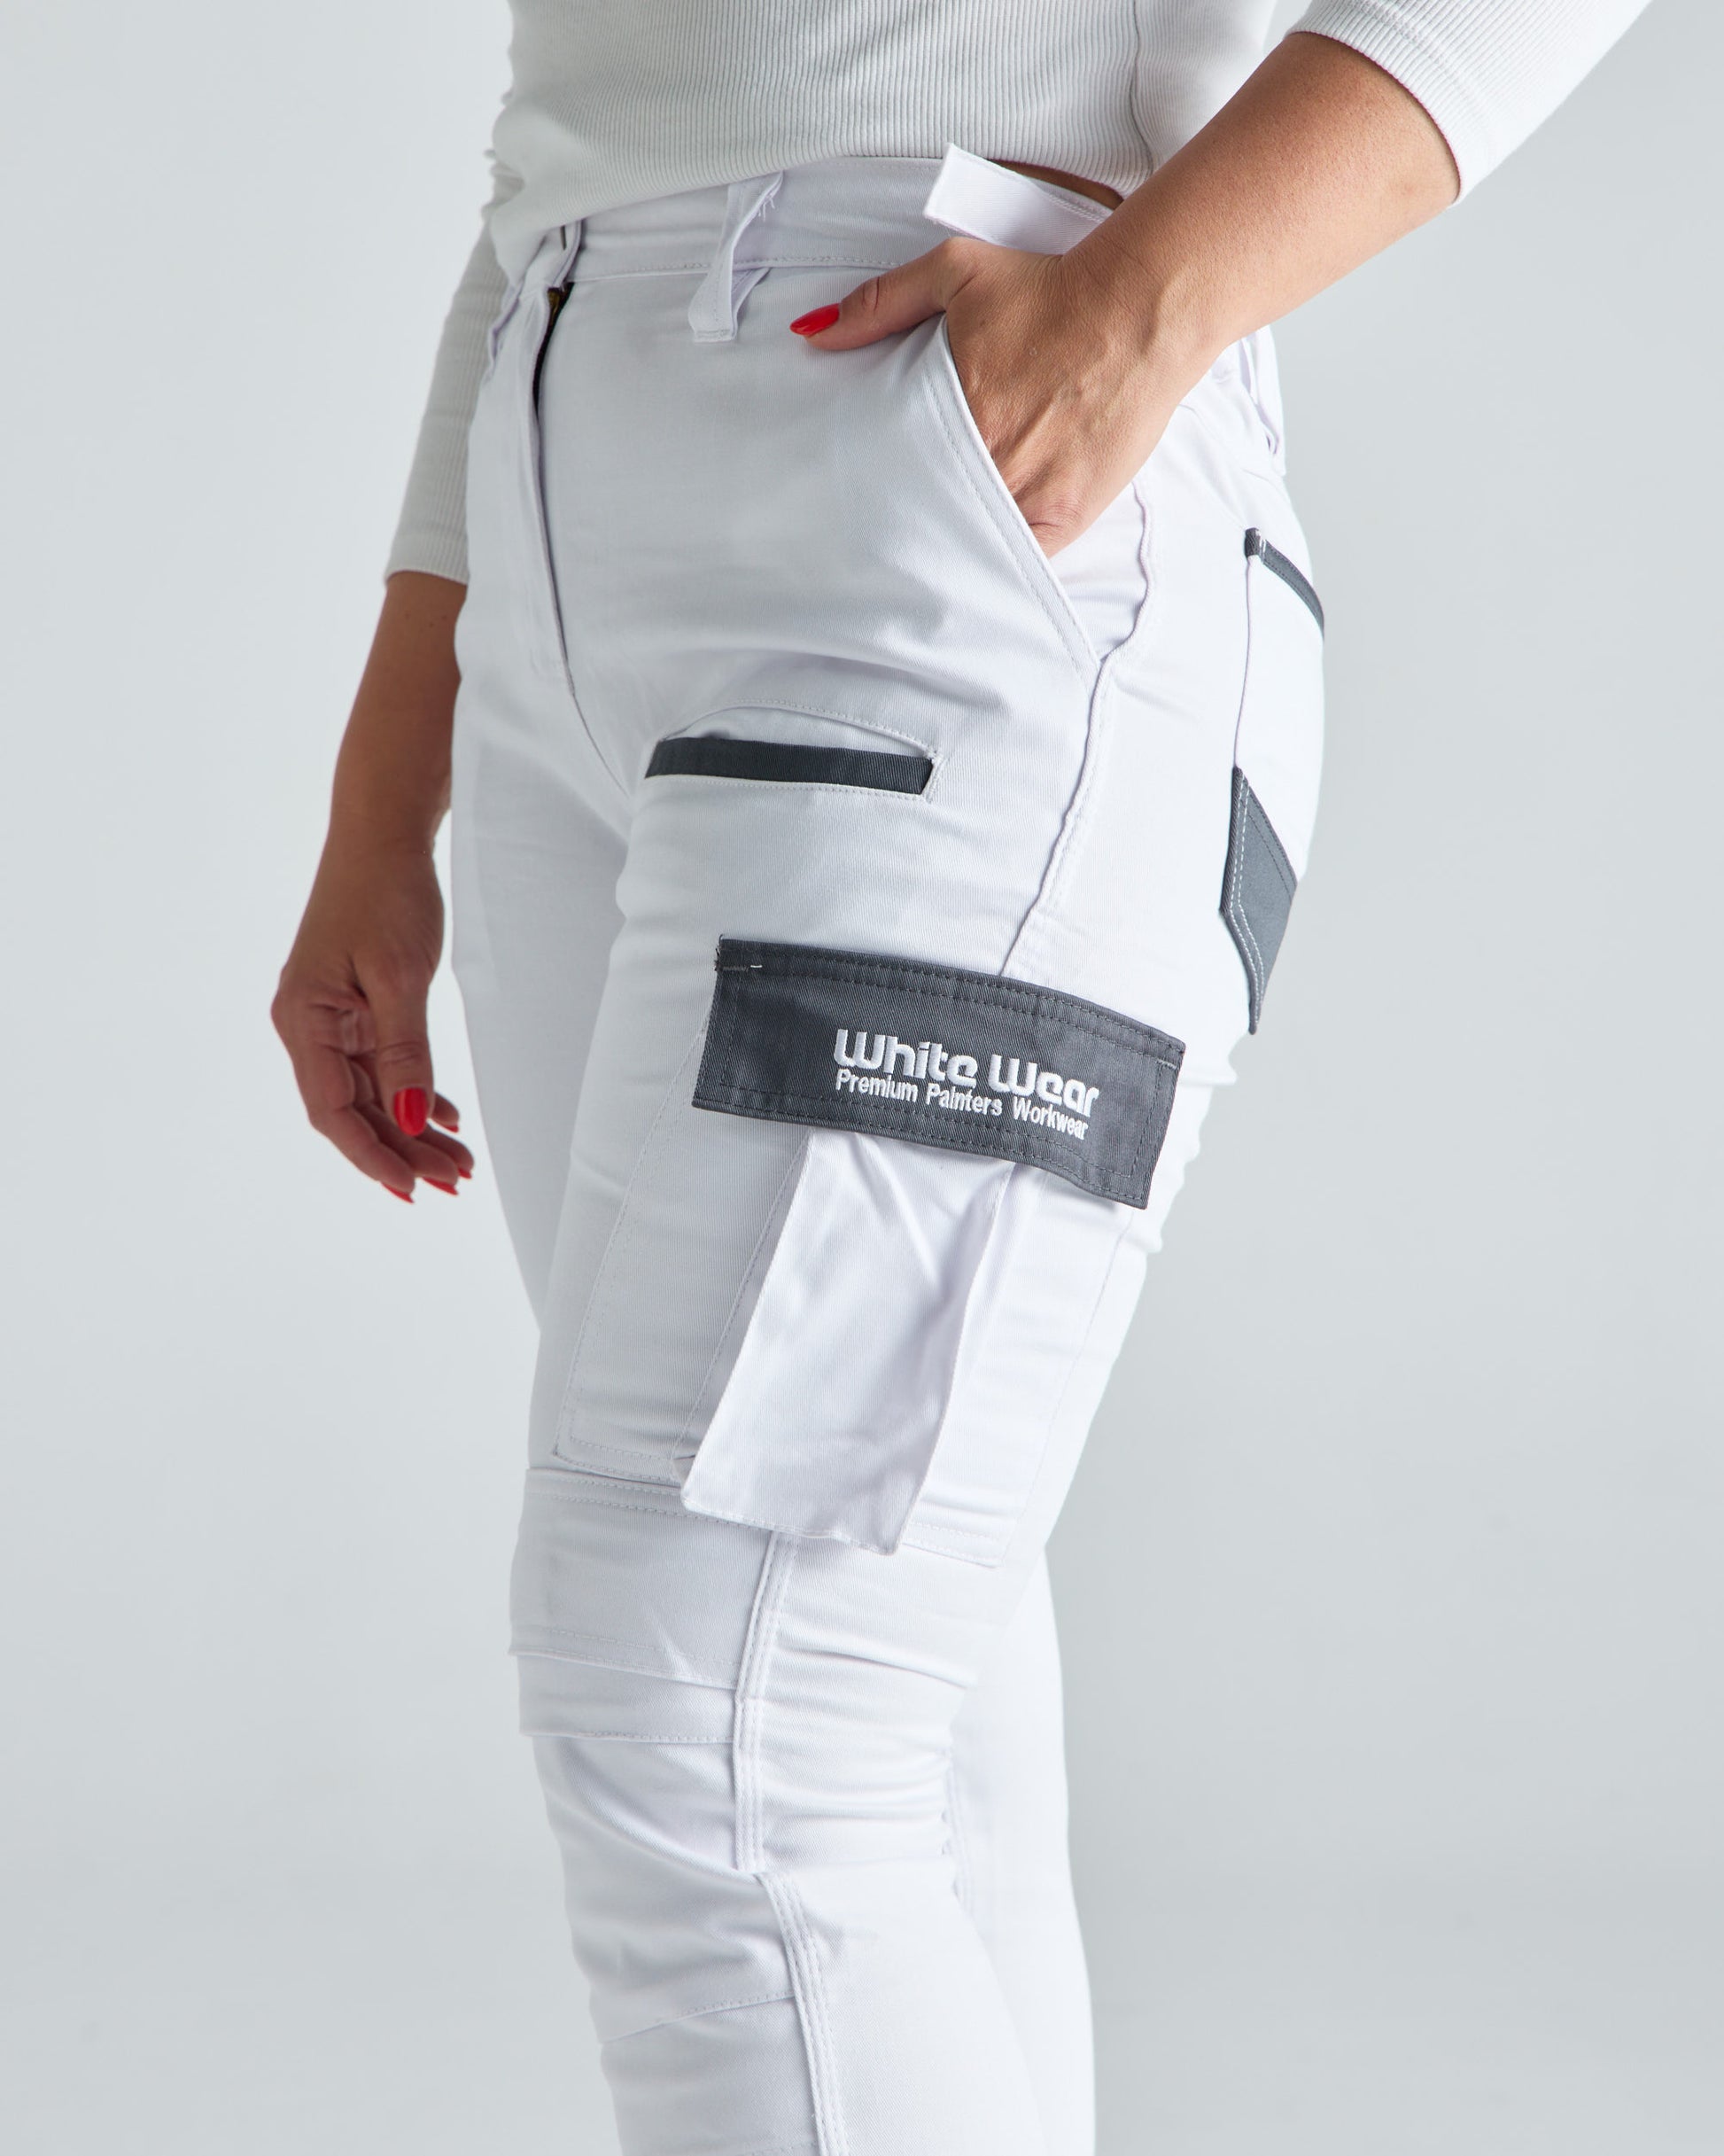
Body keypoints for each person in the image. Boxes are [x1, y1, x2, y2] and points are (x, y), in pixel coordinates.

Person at [273, 6, 1651, 2150]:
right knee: (884, 1705)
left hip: (947, 513)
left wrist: (1147, 302)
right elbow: (584, 135)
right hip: (556, 558)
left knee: (725, 1715)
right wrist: (399, 761)